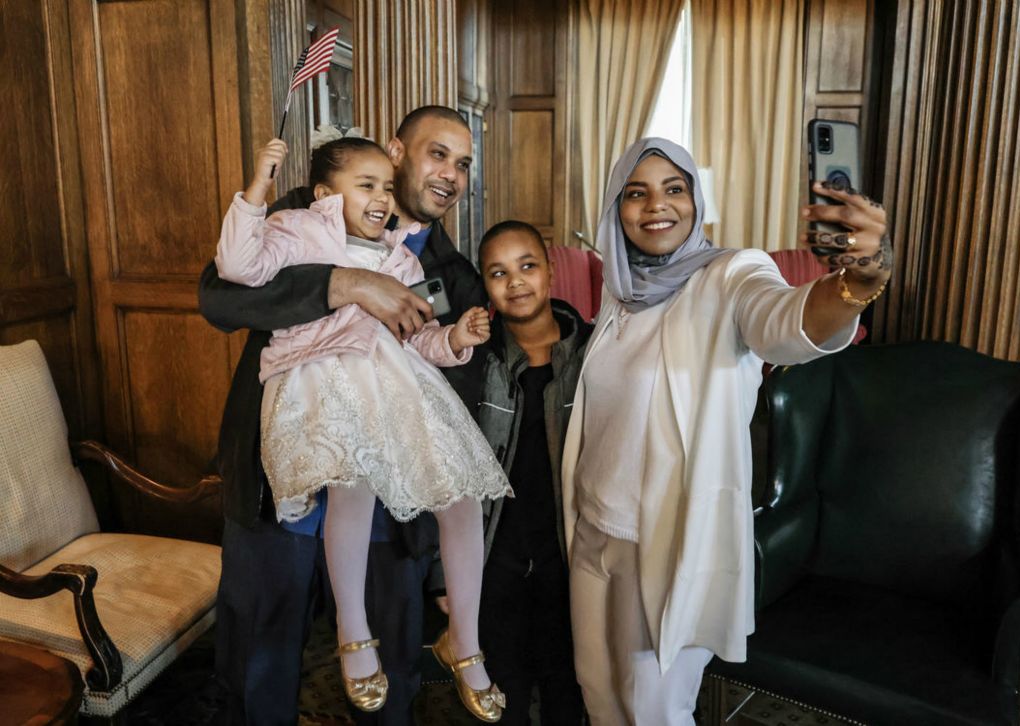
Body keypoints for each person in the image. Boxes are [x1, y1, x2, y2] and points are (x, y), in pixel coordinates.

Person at [560, 137, 893, 725]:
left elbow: (782, 320)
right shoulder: (623, 287)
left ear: (696, 199)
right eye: (635, 193)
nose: (656, 206)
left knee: (654, 711)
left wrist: (857, 282)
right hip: (593, 529)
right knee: (598, 692)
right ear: (616, 206)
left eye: (674, 189)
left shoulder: (732, 275)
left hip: (666, 539)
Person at [199, 106, 488, 726]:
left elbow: (451, 403)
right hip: (283, 472)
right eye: (437, 154)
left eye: (462, 164)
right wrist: (345, 282)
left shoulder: (452, 274)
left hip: (392, 508)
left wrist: (439, 558)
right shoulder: (305, 212)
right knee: (260, 658)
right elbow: (220, 298)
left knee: (390, 682)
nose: (450, 175)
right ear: (395, 151)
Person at [456, 220, 589, 724]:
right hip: (495, 559)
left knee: (567, 688)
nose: (515, 282)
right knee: (498, 693)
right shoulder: (473, 361)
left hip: (568, 556)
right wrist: (444, 579)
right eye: (498, 272)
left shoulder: (593, 354)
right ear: (486, 286)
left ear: (551, 272)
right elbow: (448, 470)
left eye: (527, 266)